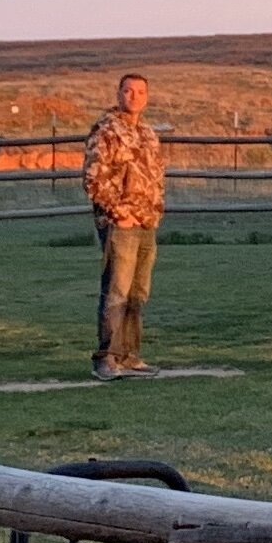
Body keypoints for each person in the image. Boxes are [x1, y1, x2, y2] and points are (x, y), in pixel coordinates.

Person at [84, 70, 164, 377]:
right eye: (128, 91)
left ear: (147, 96)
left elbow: (155, 176)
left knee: (138, 292)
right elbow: (93, 178)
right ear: (119, 94)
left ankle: (129, 355)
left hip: (146, 222)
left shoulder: (147, 133)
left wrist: (155, 210)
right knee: (116, 289)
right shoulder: (106, 130)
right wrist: (118, 211)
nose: (134, 97)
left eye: (140, 92)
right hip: (121, 222)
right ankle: (106, 358)